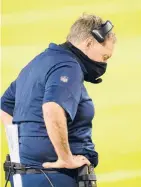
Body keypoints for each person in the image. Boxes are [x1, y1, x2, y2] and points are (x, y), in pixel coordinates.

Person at [0, 14, 116, 187]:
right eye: (105, 57)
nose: (103, 64)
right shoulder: (69, 66)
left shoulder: (38, 62)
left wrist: (21, 154)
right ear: (89, 43)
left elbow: (6, 106)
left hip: (26, 176)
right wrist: (65, 158)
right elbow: (52, 108)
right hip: (54, 177)